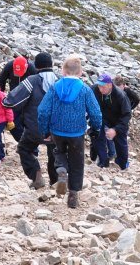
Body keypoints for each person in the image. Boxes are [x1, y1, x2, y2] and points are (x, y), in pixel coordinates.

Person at [37, 54, 103, 208]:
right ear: (80, 73)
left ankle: (61, 170)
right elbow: (95, 112)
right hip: (77, 132)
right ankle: (73, 195)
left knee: (58, 152)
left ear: (63, 71)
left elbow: (43, 111)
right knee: (77, 162)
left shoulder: (55, 87)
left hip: (57, 130)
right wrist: (96, 127)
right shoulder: (85, 90)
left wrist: (44, 130)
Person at [3, 52, 59, 189]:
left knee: (24, 149)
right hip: (57, 129)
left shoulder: (32, 80)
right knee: (54, 153)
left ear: (37, 66)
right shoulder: (61, 81)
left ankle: (36, 176)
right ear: (51, 64)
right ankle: (55, 181)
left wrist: (4, 100)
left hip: (35, 128)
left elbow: (10, 101)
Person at [90, 73, 132, 170]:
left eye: (103, 87)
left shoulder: (120, 95)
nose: (100, 89)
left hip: (118, 119)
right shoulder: (95, 89)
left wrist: (116, 129)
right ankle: (103, 162)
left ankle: (122, 165)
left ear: (110, 85)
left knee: (121, 142)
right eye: (99, 86)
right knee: (97, 134)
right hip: (103, 117)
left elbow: (127, 115)